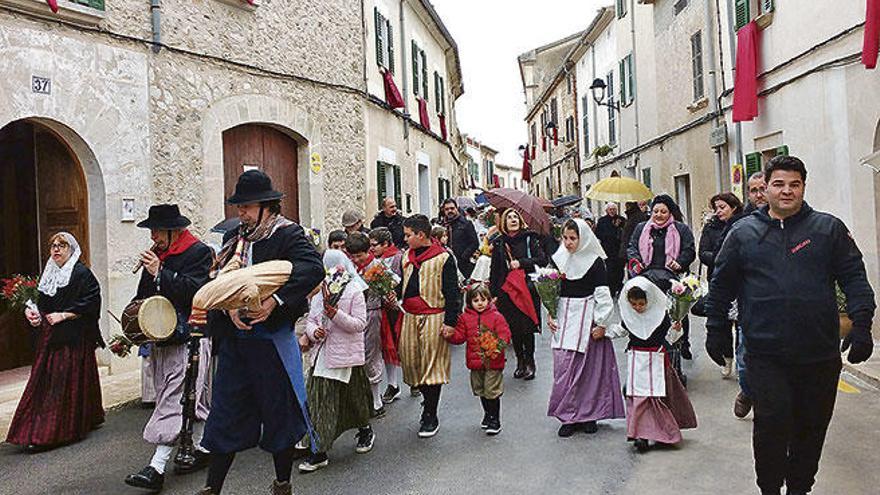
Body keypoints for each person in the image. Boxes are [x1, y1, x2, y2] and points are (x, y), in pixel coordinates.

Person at [705, 156, 875, 495]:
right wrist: (716, 328)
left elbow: (854, 277)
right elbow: (721, 284)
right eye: (779, 184)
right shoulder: (742, 233)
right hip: (766, 356)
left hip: (819, 355)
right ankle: (769, 489)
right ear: (765, 188)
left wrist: (862, 324)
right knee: (771, 428)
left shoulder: (828, 230)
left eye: (794, 184)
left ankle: (800, 488)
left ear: (803, 187)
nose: (786, 191)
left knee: (811, 430)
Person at [196, 170, 324, 495]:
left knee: (278, 417)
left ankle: (282, 484)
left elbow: (312, 269)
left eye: (247, 207)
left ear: (267, 206)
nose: (241, 213)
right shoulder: (233, 240)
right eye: (239, 207)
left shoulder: (289, 235)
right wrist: (229, 309)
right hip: (237, 346)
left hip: (271, 345)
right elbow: (218, 282)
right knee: (224, 415)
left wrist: (274, 302)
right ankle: (212, 489)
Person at [124, 204, 214, 492]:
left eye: (156, 231)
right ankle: (203, 448)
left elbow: (194, 292)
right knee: (189, 398)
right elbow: (144, 297)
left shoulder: (198, 252)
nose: (153, 237)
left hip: (191, 336)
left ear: (173, 231)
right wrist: (130, 331)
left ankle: (156, 466)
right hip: (163, 338)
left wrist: (161, 271)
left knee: (172, 398)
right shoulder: (159, 255)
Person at [9, 232, 104, 451]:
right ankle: (36, 430)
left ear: (71, 249)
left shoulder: (81, 273)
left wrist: (65, 315)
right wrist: (33, 314)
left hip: (73, 338)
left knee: (61, 384)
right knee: (45, 383)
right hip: (50, 337)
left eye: (62, 245)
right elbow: (43, 304)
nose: (56, 249)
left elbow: (91, 302)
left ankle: (52, 434)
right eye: (53, 245)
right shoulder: (49, 273)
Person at [298, 250, 375, 473]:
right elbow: (311, 321)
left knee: (354, 399)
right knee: (319, 401)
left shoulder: (354, 291)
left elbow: (359, 324)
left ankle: (365, 428)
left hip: (346, 356)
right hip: (322, 356)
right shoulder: (320, 293)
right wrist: (314, 332)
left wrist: (335, 315)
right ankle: (318, 450)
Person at [546, 219, 624, 437]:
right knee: (565, 368)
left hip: (587, 316)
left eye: (573, 238)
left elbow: (602, 294)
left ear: (583, 238)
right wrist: (550, 313)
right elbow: (551, 290)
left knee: (589, 371)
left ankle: (589, 415)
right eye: (566, 238)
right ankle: (568, 415)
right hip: (564, 315)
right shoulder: (558, 259)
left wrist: (601, 323)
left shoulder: (595, 261)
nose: (569, 243)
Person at [613, 278, 697, 452]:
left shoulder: (661, 316)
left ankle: (658, 432)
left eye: (641, 303)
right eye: (634, 304)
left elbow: (672, 338)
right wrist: (604, 331)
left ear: (649, 301)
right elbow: (621, 330)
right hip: (637, 360)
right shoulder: (629, 317)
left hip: (658, 360)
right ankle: (640, 434)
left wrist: (676, 327)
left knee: (657, 398)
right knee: (640, 399)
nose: (637, 307)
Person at [397, 214, 462, 438]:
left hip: (434, 316)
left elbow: (453, 293)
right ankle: (427, 400)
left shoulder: (443, 258)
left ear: (421, 235)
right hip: (410, 316)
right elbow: (403, 286)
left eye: (408, 235)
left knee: (432, 367)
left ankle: (431, 414)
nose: (405, 239)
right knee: (411, 361)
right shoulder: (406, 256)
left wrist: (451, 322)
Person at [626, 194, 696, 360]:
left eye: (663, 211)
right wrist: (636, 262)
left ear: (670, 212)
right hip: (647, 277)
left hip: (671, 279)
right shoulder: (642, 228)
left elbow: (689, 250)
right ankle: (650, 340)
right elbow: (632, 247)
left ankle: (682, 341)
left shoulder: (681, 229)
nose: (658, 215)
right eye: (655, 211)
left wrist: (679, 262)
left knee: (677, 313)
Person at [445, 283, 511, 436]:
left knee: (491, 390)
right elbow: (461, 336)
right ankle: (487, 414)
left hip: (493, 361)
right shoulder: (465, 318)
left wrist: (496, 347)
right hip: (475, 362)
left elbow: (504, 335)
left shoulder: (496, 317)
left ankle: (495, 419)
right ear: (469, 302)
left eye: (483, 300)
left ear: (489, 300)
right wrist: (450, 336)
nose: (480, 303)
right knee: (480, 389)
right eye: (475, 300)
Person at [489, 209, 546, 381]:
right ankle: (520, 361)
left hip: (526, 289)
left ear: (520, 221)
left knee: (527, 327)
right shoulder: (499, 243)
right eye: (509, 218)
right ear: (503, 223)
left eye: (515, 217)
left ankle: (530, 362)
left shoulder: (530, 238)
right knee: (513, 328)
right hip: (507, 291)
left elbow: (542, 260)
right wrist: (494, 293)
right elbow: (495, 271)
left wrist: (521, 263)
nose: (512, 220)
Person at [697, 192, 744, 379]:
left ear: (733, 207)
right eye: (716, 208)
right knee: (722, 327)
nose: (718, 211)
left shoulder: (743, 225)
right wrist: (721, 260)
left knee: (741, 325)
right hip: (718, 280)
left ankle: (742, 362)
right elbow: (703, 253)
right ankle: (727, 358)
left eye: (722, 207)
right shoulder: (710, 228)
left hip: (740, 283)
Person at [733, 171, 768, 418]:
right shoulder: (741, 224)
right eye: (753, 190)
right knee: (744, 356)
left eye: (762, 188)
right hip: (750, 306)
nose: (758, 195)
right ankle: (747, 391)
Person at [346, 232, 387, 418]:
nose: (355, 259)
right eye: (352, 256)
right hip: (351, 317)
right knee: (355, 356)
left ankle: (376, 399)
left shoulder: (377, 266)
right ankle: (360, 397)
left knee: (371, 353)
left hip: (372, 313)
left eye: (359, 255)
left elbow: (390, 286)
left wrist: (388, 295)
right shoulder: (347, 268)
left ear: (367, 251)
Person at [368, 227, 406, 402]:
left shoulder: (399, 257)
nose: (371, 248)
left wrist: (396, 297)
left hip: (397, 308)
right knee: (387, 346)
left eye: (375, 245)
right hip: (382, 308)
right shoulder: (374, 260)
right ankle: (393, 384)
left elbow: (403, 282)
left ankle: (412, 381)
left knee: (400, 345)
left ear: (385, 244)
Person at [441, 199, 480, 279]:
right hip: (446, 261)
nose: (450, 211)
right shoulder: (442, 225)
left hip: (463, 263)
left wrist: (464, 256)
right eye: (447, 209)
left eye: (452, 208)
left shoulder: (466, 223)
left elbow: (475, 243)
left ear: (456, 208)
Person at [595, 203, 626, 296]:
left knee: (619, 270)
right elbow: (599, 234)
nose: (612, 211)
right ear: (606, 211)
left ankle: (619, 286)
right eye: (610, 209)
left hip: (619, 250)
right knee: (609, 270)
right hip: (607, 250)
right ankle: (611, 289)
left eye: (614, 209)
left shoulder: (621, 220)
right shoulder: (602, 221)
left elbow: (625, 233)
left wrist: (618, 227)